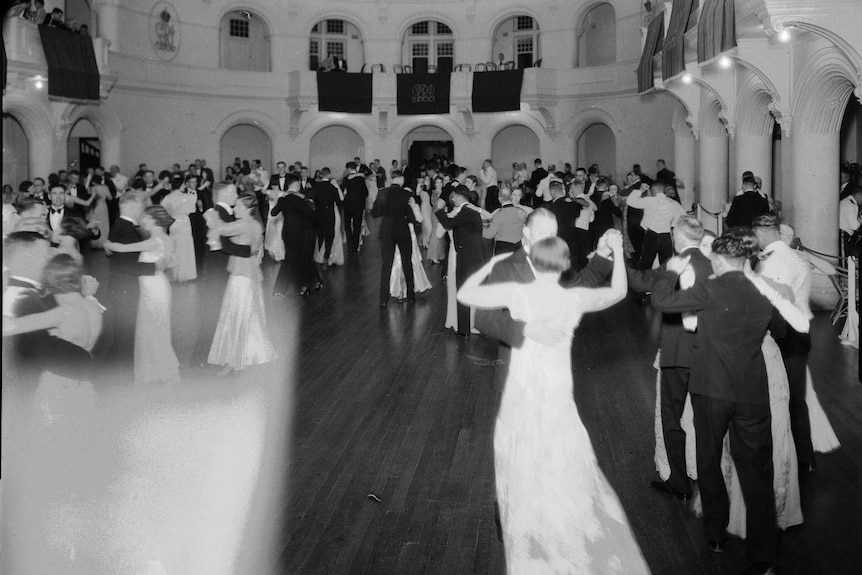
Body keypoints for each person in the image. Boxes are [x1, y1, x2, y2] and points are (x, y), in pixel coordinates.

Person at [457, 234, 650, 574]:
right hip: (558, 395)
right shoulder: (573, 298)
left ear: (534, 262)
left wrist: (488, 266)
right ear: (563, 265)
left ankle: (530, 530)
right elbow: (619, 291)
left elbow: (465, 295)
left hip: (522, 392)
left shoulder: (517, 293)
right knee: (562, 462)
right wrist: (618, 251)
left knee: (523, 460)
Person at [650, 228, 811, 575]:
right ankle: (764, 557)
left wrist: (672, 272)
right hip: (753, 393)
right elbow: (782, 331)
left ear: (720, 261)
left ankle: (717, 535)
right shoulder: (764, 290)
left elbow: (661, 301)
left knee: (708, 463)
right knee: (757, 473)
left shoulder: (709, 288)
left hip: (710, 390)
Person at [104, 205, 180, 386]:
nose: (141, 220)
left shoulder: (155, 241)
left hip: (153, 287)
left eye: (145, 217)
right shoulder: (164, 238)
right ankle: (162, 371)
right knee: (156, 328)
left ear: (154, 220)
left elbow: (121, 248)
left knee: (153, 328)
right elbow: (173, 263)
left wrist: (106, 244)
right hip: (157, 284)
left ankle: (165, 373)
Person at [206, 194, 277, 376]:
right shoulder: (255, 224)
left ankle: (237, 362)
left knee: (237, 314)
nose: (234, 209)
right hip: (249, 272)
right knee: (248, 314)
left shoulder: (244, 224)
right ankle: (242, 359)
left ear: (248, 208)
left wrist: (211, 214)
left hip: (242, 275)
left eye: (237, 206)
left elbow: (221, 229)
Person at [190, 183, 253, 367]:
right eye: (233, 191)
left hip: (219, 271)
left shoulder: (224, 213)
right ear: (224, 194)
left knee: (219, 315)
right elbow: (222, 244)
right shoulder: (218, 214)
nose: (237, 194)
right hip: (218, 273)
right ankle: (201, 359)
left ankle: (212, 357)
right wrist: (249, 250)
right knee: (214, 315)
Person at [101, 193, 158, 369]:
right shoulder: (124, 228)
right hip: (124, 287)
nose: (141, 211)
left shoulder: (123, 226)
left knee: (124, 334)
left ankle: (117, 366)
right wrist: (155, 269)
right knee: (124, 334)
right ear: (132, 207)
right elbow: (124, 264)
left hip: (123, 286)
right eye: (140, 207)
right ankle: (117, 370)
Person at [436, 186, 485, 336]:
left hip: (467, 256)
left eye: (454, 196)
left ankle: (465, 328)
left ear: (460, 197)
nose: (452, 199)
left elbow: (449, 224)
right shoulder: (469, 211)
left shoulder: (466, 212)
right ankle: (464, 327)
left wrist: (439, 211)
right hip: (468, 255)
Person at [372, 171, 422, 306]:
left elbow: (374, 213)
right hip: (402, 231)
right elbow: (412, 218)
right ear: (402, 179)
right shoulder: (406, 194)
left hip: (387, 231)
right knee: (407, 263)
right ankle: (411, 296)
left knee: (386, 265)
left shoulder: (383, 192)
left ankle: (383, 299)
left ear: (391, 179)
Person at [272, 174, 318, 297]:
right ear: (296, 184)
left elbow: (273, 212)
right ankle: (305, 286)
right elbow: (311, 214)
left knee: (291, 259)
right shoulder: (299, 200)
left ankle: (280, 289)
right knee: (304, 259)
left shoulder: (283, 199)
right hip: (302, 234)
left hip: (288, 233)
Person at [160, 175, 198, 282]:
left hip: (173, 222)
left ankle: (174, 273)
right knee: (185, 247)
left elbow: (162, 209)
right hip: (184, 222)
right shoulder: (186, 196)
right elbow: (192, 209)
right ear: (182, 184)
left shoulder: (168, 197)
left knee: (174, 246)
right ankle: (185, 274)